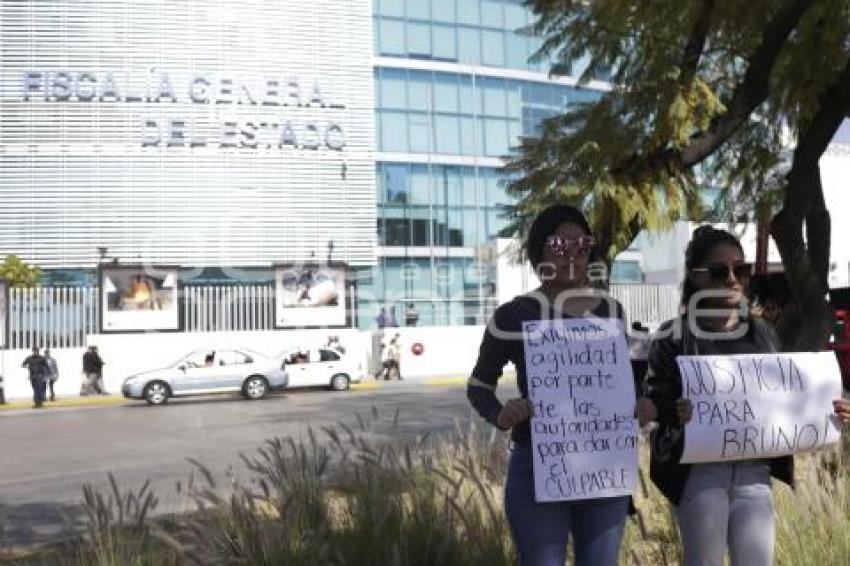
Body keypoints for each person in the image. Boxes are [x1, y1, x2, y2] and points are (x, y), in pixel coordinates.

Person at [642, 225, 850, 566]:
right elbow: (654, 398)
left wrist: (832, 408)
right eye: (719, 271)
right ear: (696, 277)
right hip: (698, 474)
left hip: (755, 472)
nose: (732, 279)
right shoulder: (673, 335)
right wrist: (672, 410)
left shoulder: (763, 332)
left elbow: (789, 392)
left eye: (741, 269)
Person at [466, 205, 656, 566]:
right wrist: (502, 415)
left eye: (582, 244)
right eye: (559, 243)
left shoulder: (611, 312)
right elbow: (478, 386)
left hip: (604, 467)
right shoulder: (513, 314)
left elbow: (624, 382)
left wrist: (641, 403)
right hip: (538, 471)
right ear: (539, 251)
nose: (572, 252)